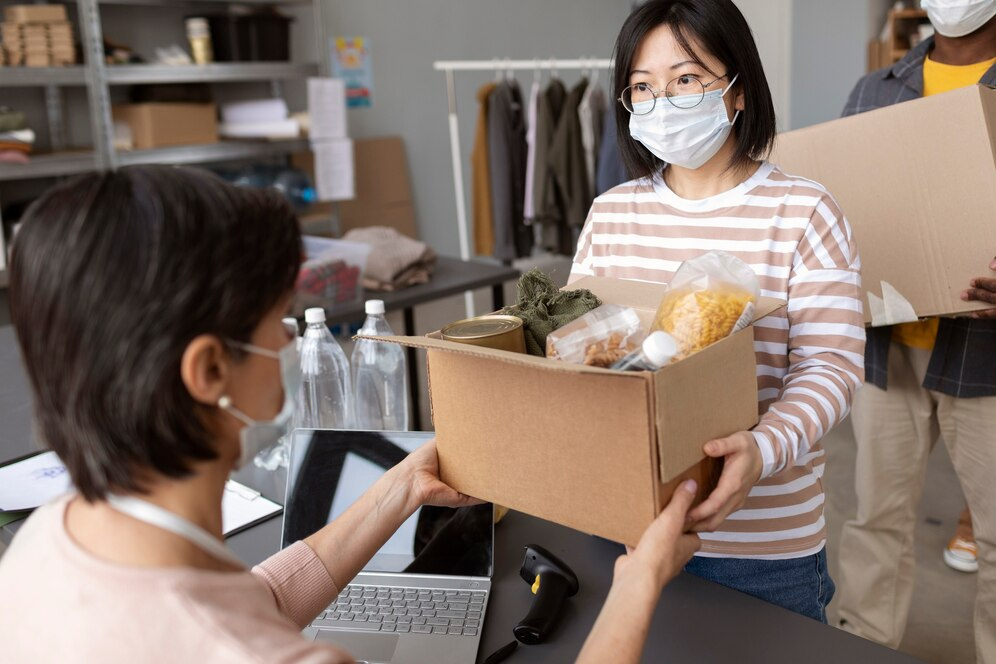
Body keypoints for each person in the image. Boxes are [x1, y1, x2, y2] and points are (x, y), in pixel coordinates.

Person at [0, 165, 699, 664]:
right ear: (209, 370)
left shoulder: (41, 548)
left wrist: (399, 489)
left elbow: (244, 601)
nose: (283, 341)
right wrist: (637, 585)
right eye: (274, 319)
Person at [570, 0, 865, 623]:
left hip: (761, 548)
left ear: (735, 92)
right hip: (623, 529)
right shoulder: (611, 213)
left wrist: (761, 448)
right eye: (642, 88)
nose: (662, 102)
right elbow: (580, 355)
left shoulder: (805, 211)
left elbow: (831, 367)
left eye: (686, 80)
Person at [834, 3, 996, 661]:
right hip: (892, 350)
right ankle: (864, 648)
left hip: (986, 363)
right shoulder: (877, 89)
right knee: (875, 523)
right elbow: (841, 208)